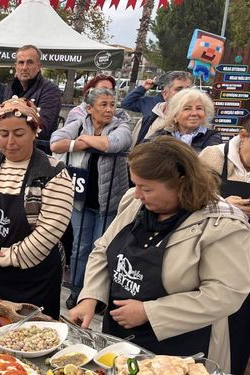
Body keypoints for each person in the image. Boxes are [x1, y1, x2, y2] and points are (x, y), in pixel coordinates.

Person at [69, 136, 250, 373]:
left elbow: (226, 293)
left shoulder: (222, 224)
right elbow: (103, 250)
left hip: (182, 350)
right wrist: (90, 297)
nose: (137, 194)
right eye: (136, 185)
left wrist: (150, 312)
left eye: (146, 188)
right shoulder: (135, 204)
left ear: (181, 183)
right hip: (120, 336)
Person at [0, 97, 74, 318]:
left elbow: (48, 232)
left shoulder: (53, 174)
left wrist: (3, 258)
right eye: (3, 134)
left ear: (34, 132)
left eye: (19, 134)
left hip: (29, 283)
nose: (10, 142)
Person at [50, 88, 132, 308]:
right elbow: (55, 142)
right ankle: (77, 289)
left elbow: (114, 144)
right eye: (103, 104)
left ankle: (96, 295)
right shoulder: (79, 123)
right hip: (81, 199)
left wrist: (82, 140)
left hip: (109, 202)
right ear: (89, 108)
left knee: (103, 249)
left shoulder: (121, 125)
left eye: (112, 104)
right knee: (79, 247)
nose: (109, 109)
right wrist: (84, 142)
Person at [200, 116, 250, 375]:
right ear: (243, 136)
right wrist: (220, 202)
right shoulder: (213, 156)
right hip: (219, 250)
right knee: (225, 321)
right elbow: (191, 198)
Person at [4, 45, 61, 141]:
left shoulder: (50, 90)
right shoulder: (9, 87)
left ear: (39, 67)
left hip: (37, 150)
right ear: (15, 66)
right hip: (10, 147)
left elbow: (42, 129)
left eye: (30, 62)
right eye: (21, 63)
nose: (24, 67)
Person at [147, 88, 221, 153]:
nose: (194, 113)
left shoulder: (212, 137)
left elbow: (207, 165)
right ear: (175, 115)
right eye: (187, 109)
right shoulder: (162, 134)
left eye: (199, 108)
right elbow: (142, 155)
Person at [131, 71, 192, 147]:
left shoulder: (198, 122)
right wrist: (142, 88)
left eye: (188, 89)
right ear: (165, 94)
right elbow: (134, 152)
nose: (185, 93)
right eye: (179, 89)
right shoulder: (147, 120)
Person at [64, 74, 130, 126]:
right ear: (90, 92)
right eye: (103, 89)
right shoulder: (77, 113)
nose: (107, 93)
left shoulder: (118, 115)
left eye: (111, 90)